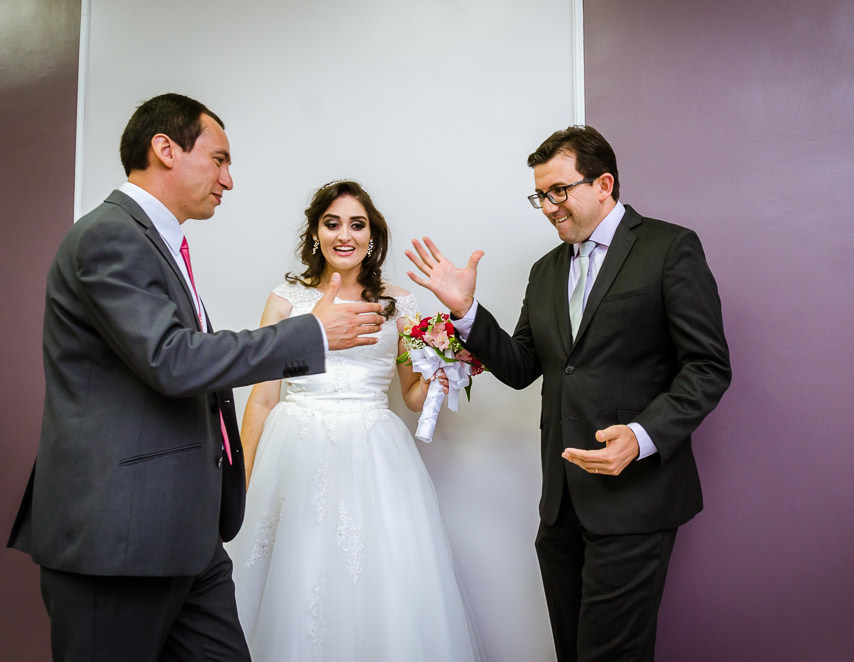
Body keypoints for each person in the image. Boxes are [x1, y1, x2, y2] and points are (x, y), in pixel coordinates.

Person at [6, 93, 385, 662]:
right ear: (165, 149)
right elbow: (173, 359)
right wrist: (312, 334)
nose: (228, 180)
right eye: (219, 159)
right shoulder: (109, 235)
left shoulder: (154, 241)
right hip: (120, 537)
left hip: (185, 533)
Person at [406, 125, 731, 662]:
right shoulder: (545, 271)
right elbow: (521, 367)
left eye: (559, 190)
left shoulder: (669, 248)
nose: (549, 207)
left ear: (604, 184)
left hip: (635, 500)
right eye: (540, 195)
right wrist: (466, 312)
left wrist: (642, 436)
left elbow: (708, 367)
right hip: (560, 509)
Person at [225, 180, 483, 661]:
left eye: (357, 225)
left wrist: (443, 370)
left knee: (378, 581)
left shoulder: (399, 304)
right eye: (332, 223)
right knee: (293, 574)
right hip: (295, 451)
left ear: (372, 236)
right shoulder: (286, 300)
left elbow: (411, 396)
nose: (345, 235)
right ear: (316, 232)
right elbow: (261, 400)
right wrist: (243, 484)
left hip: (372, 455)